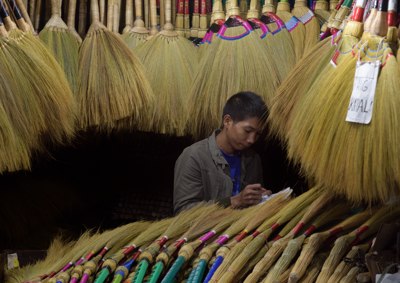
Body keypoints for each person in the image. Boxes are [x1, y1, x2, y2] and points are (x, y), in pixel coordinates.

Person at [173, 91, 272, 214]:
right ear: (227, 121)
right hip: (205, 233)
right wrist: (234, 201)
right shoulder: (194, 156)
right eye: (247, 130)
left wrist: (262, 199)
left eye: (257, 134)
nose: (252, 140)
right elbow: (183, 211)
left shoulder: (252, 159)